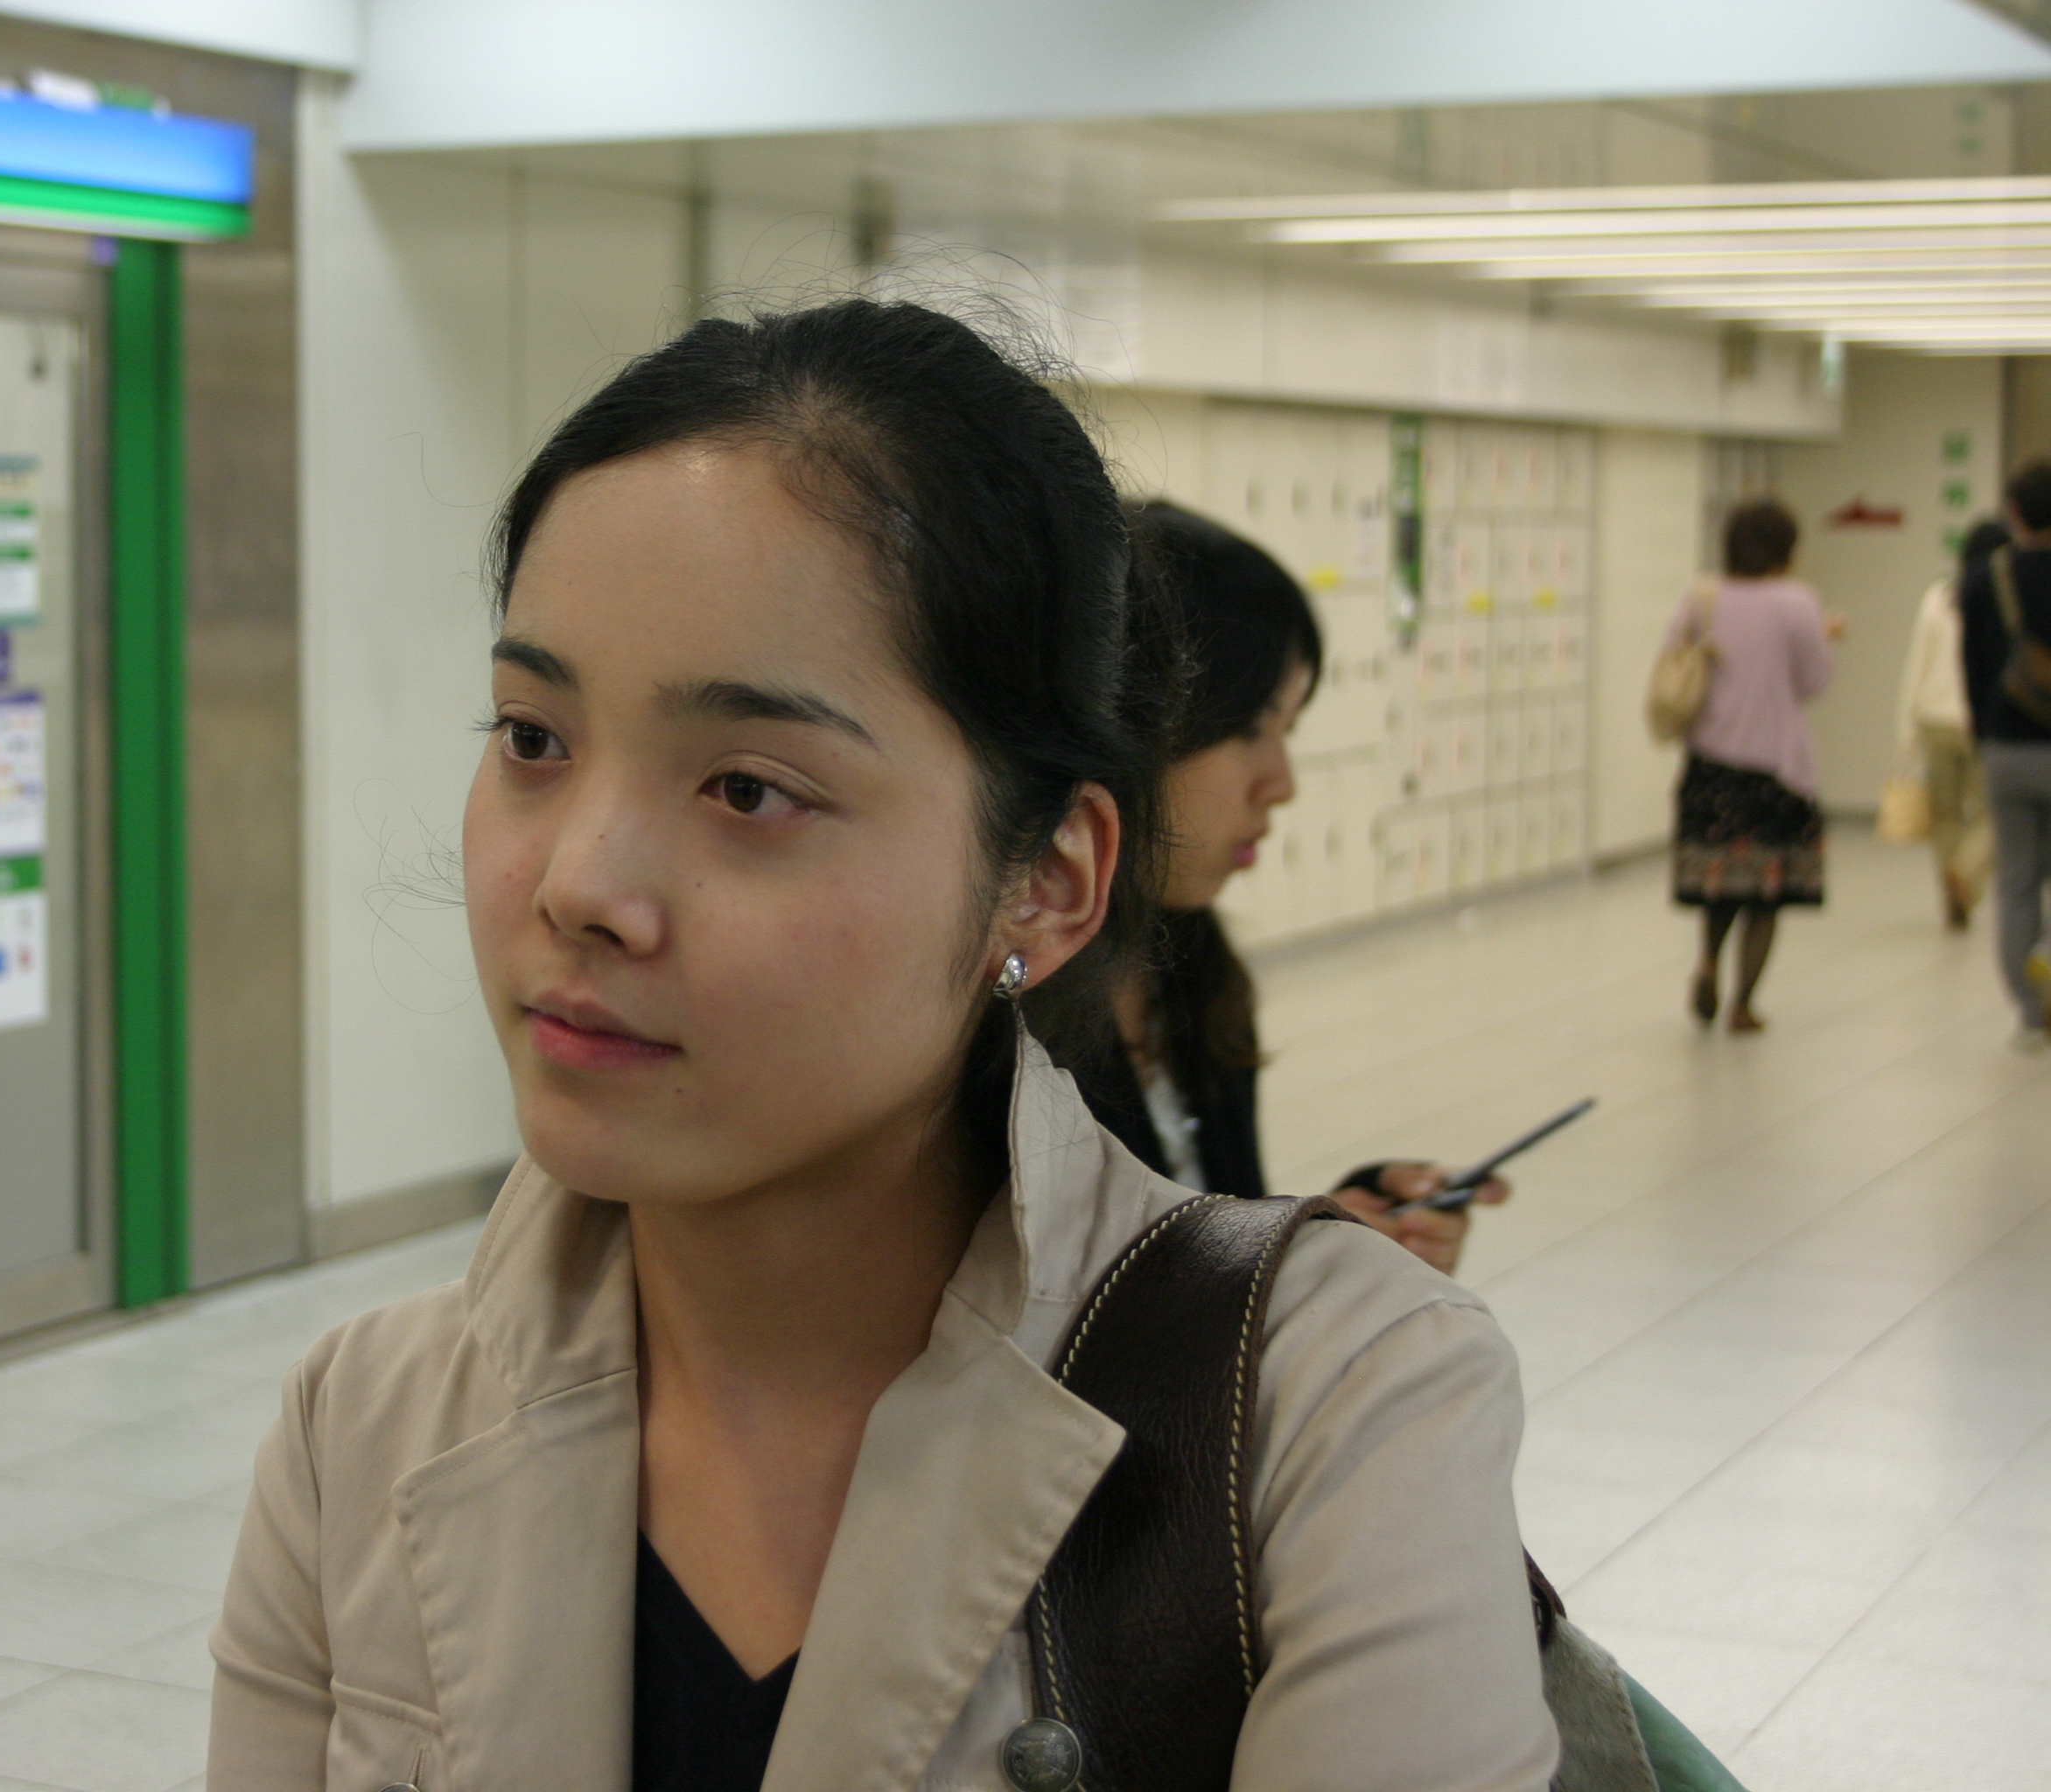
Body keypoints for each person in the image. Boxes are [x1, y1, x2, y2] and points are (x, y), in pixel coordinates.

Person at [208, 300, 1556, 1789]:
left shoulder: (1338, 1413)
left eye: (747, 787)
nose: (576, 885)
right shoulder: (360, 1428)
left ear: (1044, 880)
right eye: (533, 736)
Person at [1089, 503, 1508, 1277]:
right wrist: (1281, 1267)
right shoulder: (998, 1041)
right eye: (1252, 729)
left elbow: (1211, 1234)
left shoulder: (1195, 976)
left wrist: (1324, 1237)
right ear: (1127, 730)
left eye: (1289, 730)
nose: (1281, 784)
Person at [1668, 497, 1839, 1034]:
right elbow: (1814, 681)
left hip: (1709, 766)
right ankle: (1743, 1005)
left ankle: (1708, 962)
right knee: (1766, 892)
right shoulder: (1796, 602)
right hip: (1774, 768)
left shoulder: (1701, 598)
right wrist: (1823, 636)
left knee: (1719, 882)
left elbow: (1674, 660)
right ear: (1785, 548)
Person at [1964, 464, 2051, 1051]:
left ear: (2014, 511)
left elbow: (1972, 671)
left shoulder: (1984, 580)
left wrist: (1984, 741)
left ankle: (2030, 1007)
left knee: (2016, 880)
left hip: (2006, 749)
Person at [1894, 524, 1996, 929]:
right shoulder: (2004, 599)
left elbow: (1915, 665)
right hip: (1981, 723)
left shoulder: (1938, 598)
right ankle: (1966, 875)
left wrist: (1906, 730)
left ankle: (1952, 897)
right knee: (1992, 813)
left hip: (1934, 721)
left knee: (1946, 817)